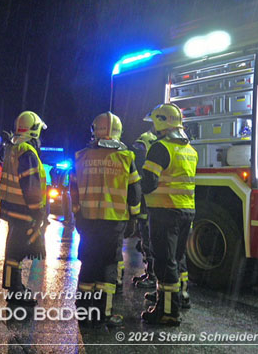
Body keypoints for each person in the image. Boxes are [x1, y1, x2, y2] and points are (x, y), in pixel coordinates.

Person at [71, 112, 142, 327]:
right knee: (108, 267)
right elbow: (135, 190)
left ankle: (84, 314)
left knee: (89, 264)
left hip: (88, 221)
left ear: (94, 130)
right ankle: (104, 314)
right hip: (114, 222)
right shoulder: (126, 157)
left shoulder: (81, 156)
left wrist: (77, 214)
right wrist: (134, 217)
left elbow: (73, 189)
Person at [140, 103, 197, 326]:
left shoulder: (159, 148)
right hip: (186, 211)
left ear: (161, 122)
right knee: (175, 260)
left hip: (165, 212)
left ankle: (166, 312)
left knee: (164, 262)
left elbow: (149, 183)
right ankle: (174, 302)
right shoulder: (190, 149)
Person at [0, 111, 48, 305]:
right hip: (24, 209)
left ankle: (13, 287)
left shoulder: (13, 148)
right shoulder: (27, 151)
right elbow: (31, 184)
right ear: (34, 130)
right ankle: (16, 291)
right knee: (17, 251)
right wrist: (38, 211)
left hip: (11, 208)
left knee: (12, 250)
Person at [130, 131, 158, 289]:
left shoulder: (151, 166)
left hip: (149, 213)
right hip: (144, 213)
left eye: (142, 146)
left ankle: (153, 277)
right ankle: (149, 273)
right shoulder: (144, 164)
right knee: (145, 244)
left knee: (149, 245)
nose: (139, 150)